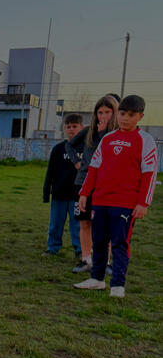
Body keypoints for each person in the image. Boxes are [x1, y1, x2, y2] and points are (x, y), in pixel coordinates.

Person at [74, 95, 156, 298]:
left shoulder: (145, 140)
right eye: (122, 113)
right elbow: (93, 169)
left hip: (125, 203)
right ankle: (97, 279)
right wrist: (84, 193)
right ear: (117, 114)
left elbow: (149, 174)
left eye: (131, 115)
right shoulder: (108, 139)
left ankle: (118, 285)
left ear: (140, 116)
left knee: (119, 243)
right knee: (99, 240)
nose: (125, 118)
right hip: (101, 200)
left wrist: (143, 203)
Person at [66, 95, 119, 273]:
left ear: (115, 113)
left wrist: (104, 132)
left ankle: (105, 261)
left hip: (106, 184)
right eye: (100, 112)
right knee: (85, 222)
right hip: (82, 183)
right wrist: (76, 162)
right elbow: (69, 145)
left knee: (105, 224)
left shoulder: (117, 134)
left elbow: (106, 152)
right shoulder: (88, 131)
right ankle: (86, 259)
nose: (103, 116)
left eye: (107, 112)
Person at [42, 113, 83, 256]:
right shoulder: (58, 149)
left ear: (81, 128)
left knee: (77, 225)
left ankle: (80, 250)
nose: (71, 129)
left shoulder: (86, 149)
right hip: (59, 194)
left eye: (75, 126)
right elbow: (50, 173)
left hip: (77, 196)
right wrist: (46, 192)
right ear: (64, 128)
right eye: (68, 127)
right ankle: (52, 248)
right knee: (55, 224)